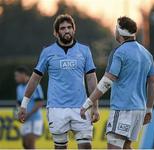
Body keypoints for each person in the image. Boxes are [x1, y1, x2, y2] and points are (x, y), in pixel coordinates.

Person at [18, 14, 99, 149]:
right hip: (56, 108)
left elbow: (91, 79)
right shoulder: (47, 52)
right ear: (56, 33)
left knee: (85, 146)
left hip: (81, 107)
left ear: (74, 29)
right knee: (60, 147)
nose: (66, 30)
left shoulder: (84, 51)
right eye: (62, 28)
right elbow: (35, 78)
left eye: (69, 27)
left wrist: (95, 106)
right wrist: (24, 104)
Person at [80, 16, 154, 149]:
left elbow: (107, 81)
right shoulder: (146, 54)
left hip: (123, 109)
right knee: (126, 146)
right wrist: (149, 109)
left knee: (114, 147)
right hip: (139, 109)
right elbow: (153, 82)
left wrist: (88, 102)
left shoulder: (119, 52)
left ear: (119, 32)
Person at [14, 66, 44, 149]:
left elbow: (40, 103)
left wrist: (28, 114)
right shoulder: (19, 88)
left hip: (35, 119)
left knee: (30, 143)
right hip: (25, 120)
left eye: (17, 75)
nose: (15, 78)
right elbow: (18, 104)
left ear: (23, 74)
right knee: (25, 144)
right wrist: (17, 113)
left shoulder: (35, 85)